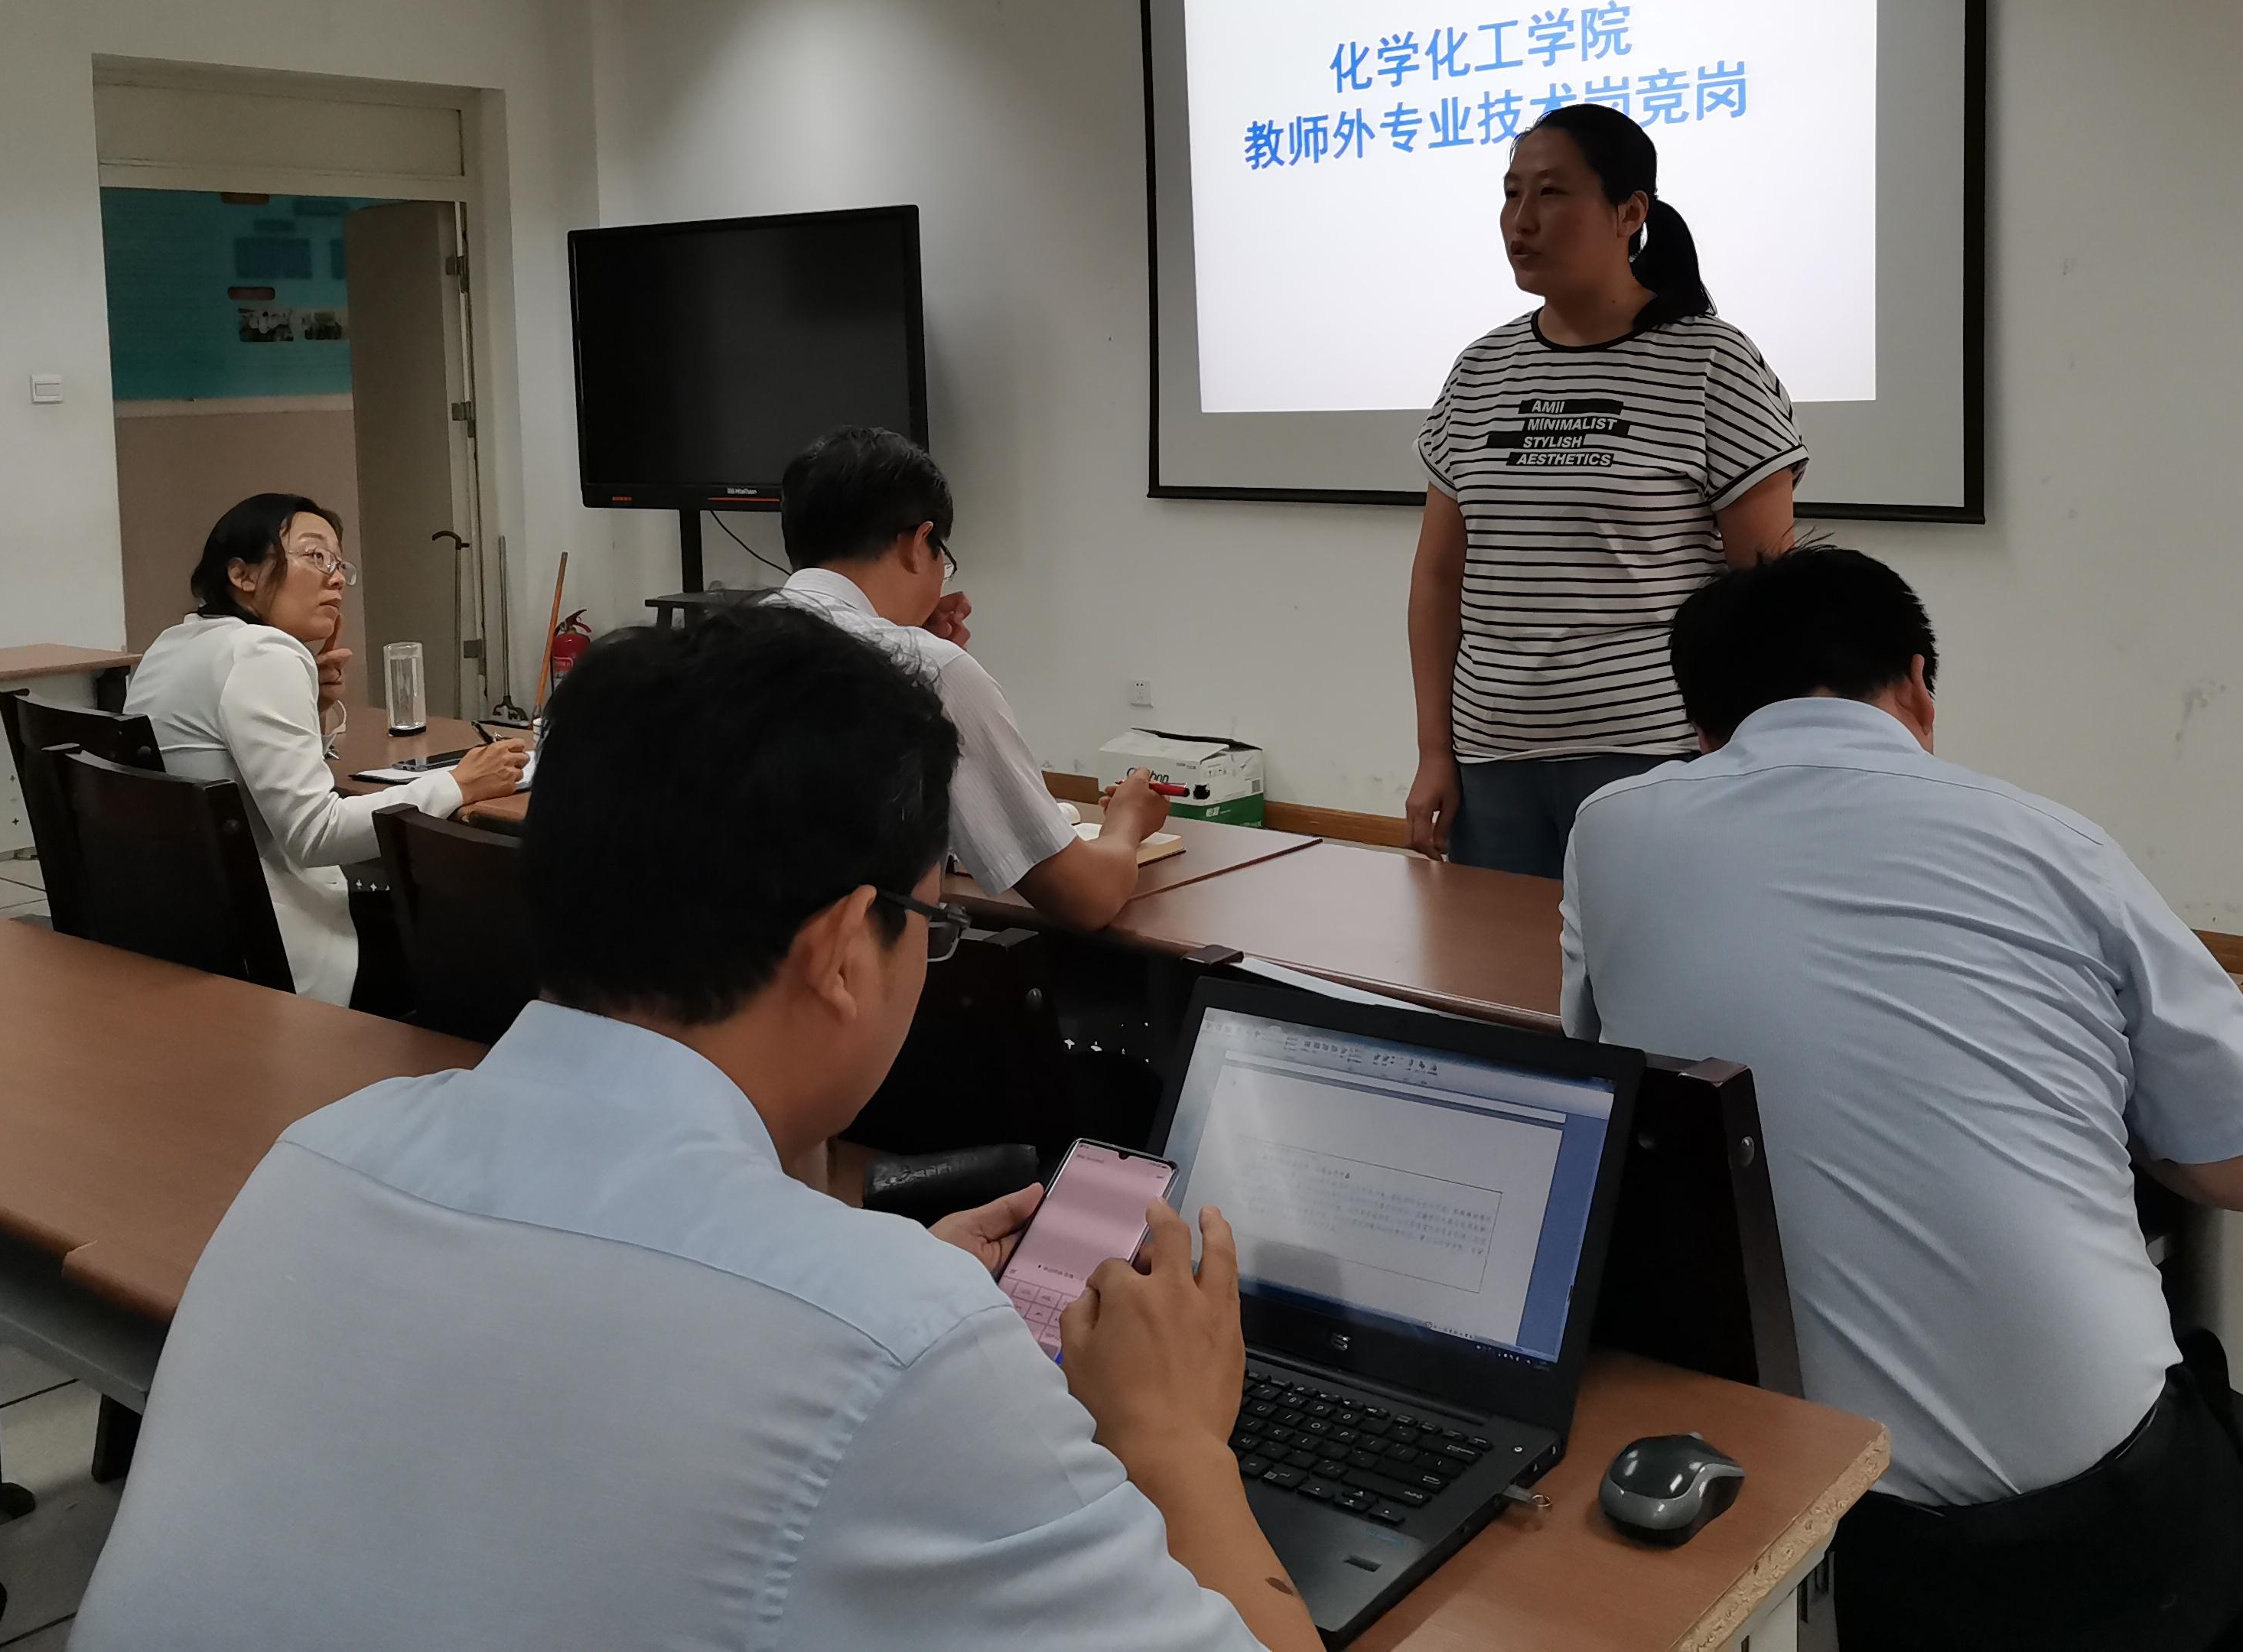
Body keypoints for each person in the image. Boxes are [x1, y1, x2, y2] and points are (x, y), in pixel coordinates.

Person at [73, 606, 1320, 1652]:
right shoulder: (899, 1347)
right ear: (845, 948)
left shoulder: (313, 1163)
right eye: (931, 925)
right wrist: (1170, 1439)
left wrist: (867, 1288)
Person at [1562, 547, 2243, 1652]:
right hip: (2078, 1530)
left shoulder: (1609, 830)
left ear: (1702, 727)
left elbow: (1605, 1075)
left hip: (1789, 1524)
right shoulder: (2054, 843)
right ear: (1917, 687)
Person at [1405, 104, 1805, 879]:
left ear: (1630, 213)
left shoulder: (1710, 363)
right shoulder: (1481, 370)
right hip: (1493, 754)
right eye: (1511, 193)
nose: (1521, 220)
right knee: (1495, 958)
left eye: (1552, 193)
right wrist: (1435, 751)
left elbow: (1768, 594)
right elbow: (1438, 576)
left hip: (1658, 754)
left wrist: (1752, 760)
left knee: (1650, 957)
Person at [123, 493, 526, 1006]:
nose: (336, 578)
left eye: (339, 564)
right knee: (496, 936)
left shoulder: (174, 644)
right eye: (316, 556)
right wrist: (457, 784)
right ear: (242, 574)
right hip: (281, 953)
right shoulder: (263, 653)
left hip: (191, 934)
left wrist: (312, 707)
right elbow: (315, 835)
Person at [771, 426, 1169, 928]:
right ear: (918, 543)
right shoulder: (930, 672)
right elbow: (1085, 897)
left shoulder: (723, 641)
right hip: (849, 966)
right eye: (944, 557)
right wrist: (1127, 818)